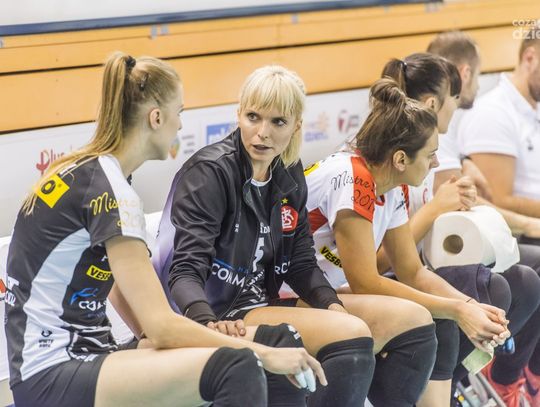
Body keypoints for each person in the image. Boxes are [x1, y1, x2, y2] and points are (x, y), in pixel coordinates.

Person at [4, 52, 326, 407]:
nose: (181, 126)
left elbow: (119, 287)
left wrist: (145, 335)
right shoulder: (111, 192)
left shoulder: (92, 172)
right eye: (180, 113)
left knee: (271, 342)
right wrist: (264, 355)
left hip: (78, 356)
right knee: (238, 364)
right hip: (56, 371)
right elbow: (163, 327)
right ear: (156, 118)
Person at [155, 64, 438, 407]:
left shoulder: (288, 172)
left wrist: (332, 305)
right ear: (238, 115)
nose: (262, 133)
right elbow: (184, 270)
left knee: (415, 323)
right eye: (253, 117)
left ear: (296, 126)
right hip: (215, 311)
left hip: (262, 301)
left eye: (278, 122)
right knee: (351, 338)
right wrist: (207, 323)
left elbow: (301, 263)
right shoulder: (210, 173)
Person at [304, 55, 511, 407]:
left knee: (447, 318)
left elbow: (411, 271)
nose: (436, 163)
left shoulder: (393, 184)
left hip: (328, 291)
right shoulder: (354, 180)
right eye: (430, 155)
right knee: (421, 324)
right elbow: (365, 282)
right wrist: (456, 309)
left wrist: (468, 306)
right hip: (286, 294)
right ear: (401, 158)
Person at [428, 30, 540, 407]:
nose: (480, 84)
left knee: (521, 282)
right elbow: (477, 204)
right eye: (477, 75)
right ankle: (500, 376)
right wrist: (530, 225)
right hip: (431, 258)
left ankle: (524, 376)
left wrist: (463, 165)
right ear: (463, 74)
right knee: (517, 284)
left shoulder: (446, 129)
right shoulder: (448, 126)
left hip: (436, 252)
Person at [449, 27, 540, 222]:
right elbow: (497, 201)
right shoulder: (492, 113)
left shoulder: (532, 108)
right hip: (520, 233)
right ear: (530, 58)